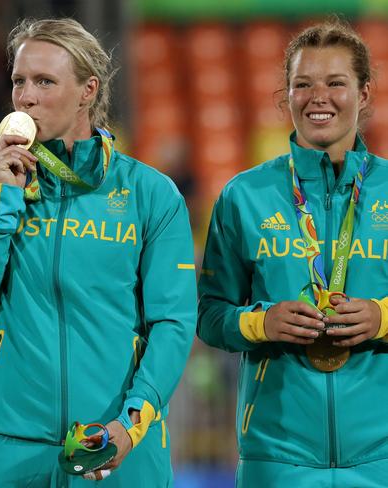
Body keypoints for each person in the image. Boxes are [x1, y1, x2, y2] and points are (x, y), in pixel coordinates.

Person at [0, 17, 196, 487]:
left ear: (87, 91)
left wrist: (131, 423)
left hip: (113, 438)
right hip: (7, 442)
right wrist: (4, 205)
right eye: (19, 81)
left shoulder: (150, 194)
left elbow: (174, 324)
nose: (26, 97)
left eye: (44, 81)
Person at [198, 19, 388, 486]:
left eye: (335, 83)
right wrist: (262, 322)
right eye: (303, 84)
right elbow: (210, 315)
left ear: (363, 94)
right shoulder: (244, 196)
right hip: (276, 457)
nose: (317, 96)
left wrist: (381, 318)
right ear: (286, 96)